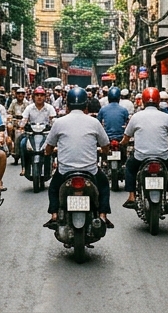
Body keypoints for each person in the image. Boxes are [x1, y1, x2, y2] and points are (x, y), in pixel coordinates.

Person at [43, 87, 112, 231]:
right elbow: (106, 146)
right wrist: (103, 151)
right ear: (86, 106)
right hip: (90, 171)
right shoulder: (94, 122)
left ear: (67, 106)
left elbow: (48, 149)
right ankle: (103, 215)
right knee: (104, 185)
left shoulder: (59, 123)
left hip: (65, 172)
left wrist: (51, 151)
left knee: (53, 188)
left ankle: (54, 215)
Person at [121, 87, 168, 209]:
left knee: (130, 167)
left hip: (141, 157)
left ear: (142, 101)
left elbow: (126, 138)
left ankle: (131, 197)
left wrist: (122, 144)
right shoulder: (166, 117)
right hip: (162, 156)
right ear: (158, 101)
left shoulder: (136, 117)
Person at [17, 88, 56, 165]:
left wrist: (54, 124)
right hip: (31, 134)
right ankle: (24, 166)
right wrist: (22, 125)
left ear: (45, 97)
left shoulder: (49, 108)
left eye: (41, 95)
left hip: (46, 134)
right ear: (33, 97)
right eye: (37, 95)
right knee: (22, 143)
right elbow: (24, 119)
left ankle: (54, 162)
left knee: (56, 145)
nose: (39, 97)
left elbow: (53, 119)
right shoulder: (29, 108)